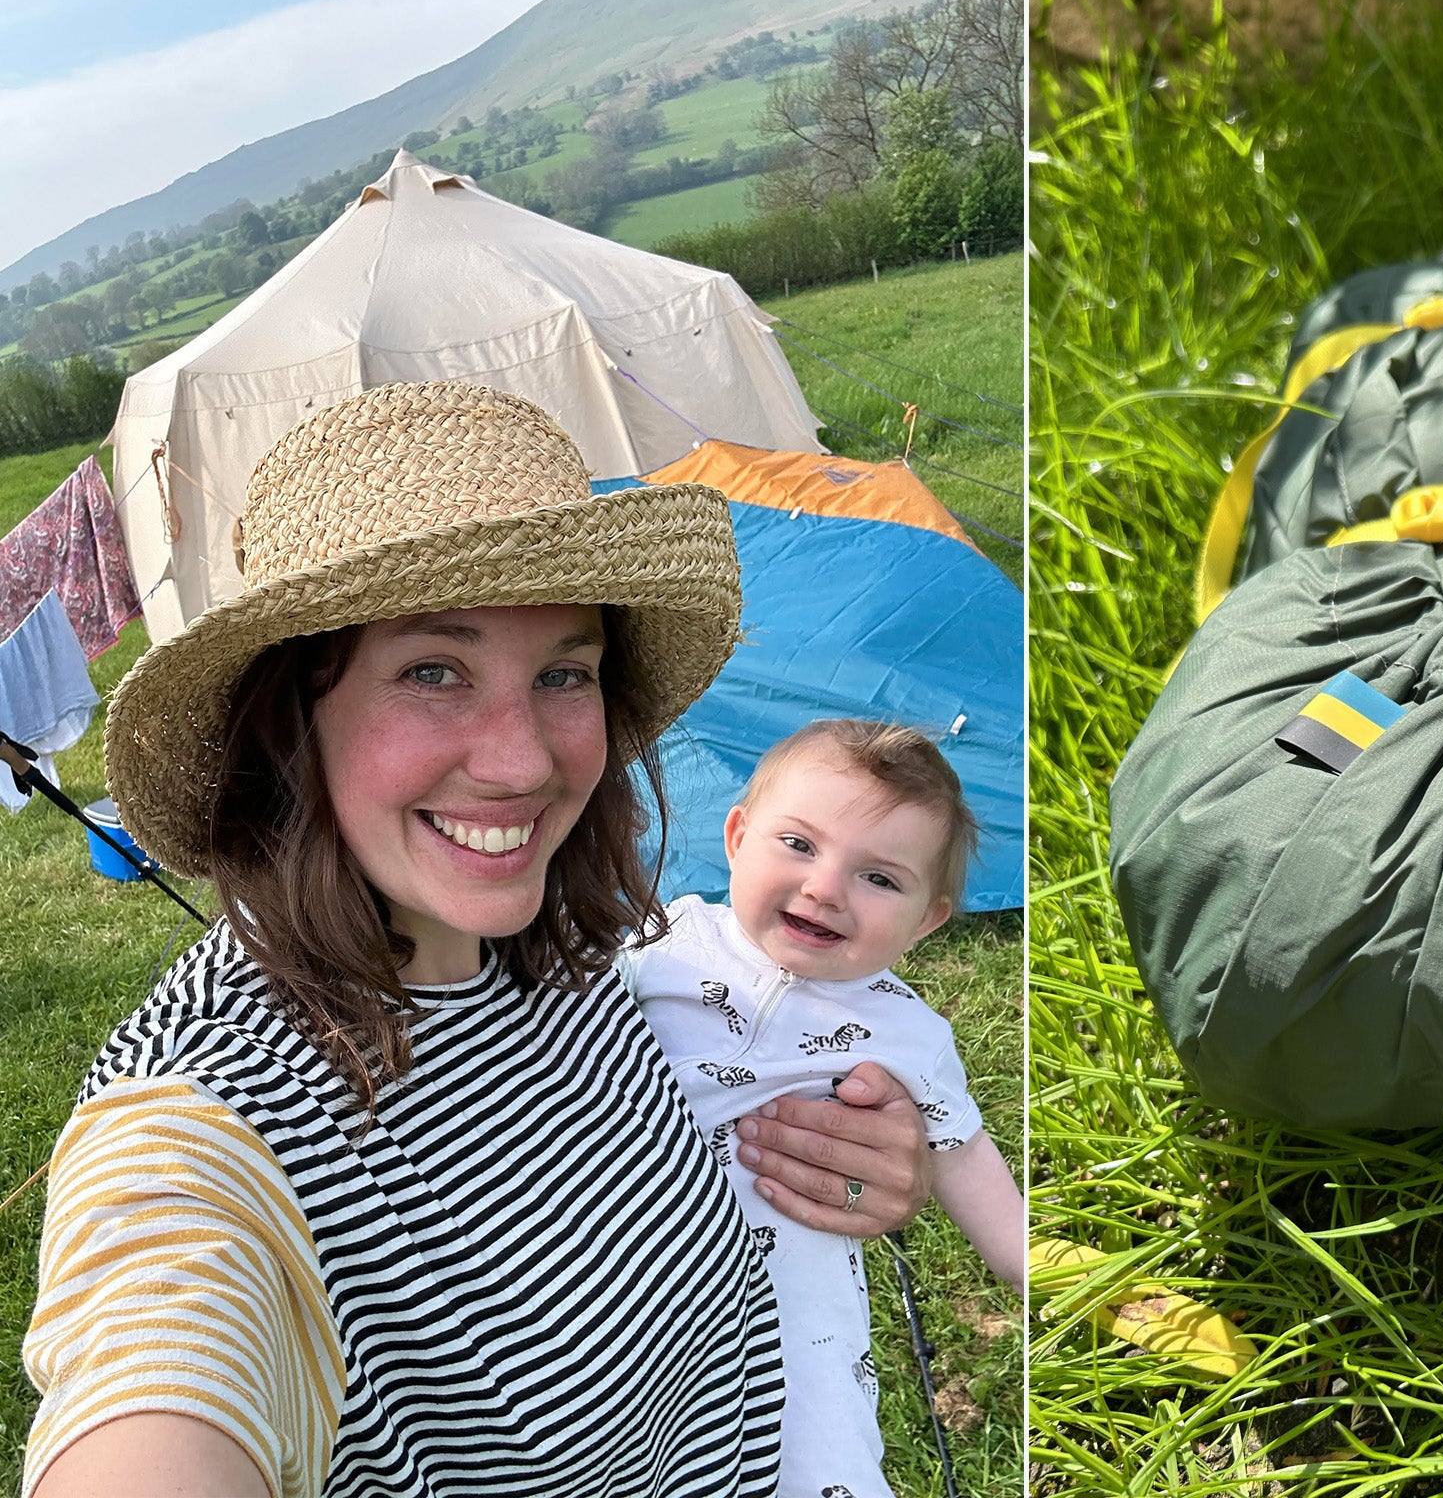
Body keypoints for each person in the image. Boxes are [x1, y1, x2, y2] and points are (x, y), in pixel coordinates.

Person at [19, 381, 936, 1498]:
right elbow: (156, 1351)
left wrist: (837, 1161)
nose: (519, 761)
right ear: (293, 717)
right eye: (432, 671)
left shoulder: (573, 954)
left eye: (563, 672)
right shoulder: (207, 1118)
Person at [626, 719, 1023, 1498]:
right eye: (799, 845)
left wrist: (1037, 1275)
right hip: (631, 1282)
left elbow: (964, 1156)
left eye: (880, 879)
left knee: (822, 1466)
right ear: (737, 837)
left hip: (794, 1320)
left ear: (928, 920)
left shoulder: (907, 1032)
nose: (826, 888)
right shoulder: (662, 939)